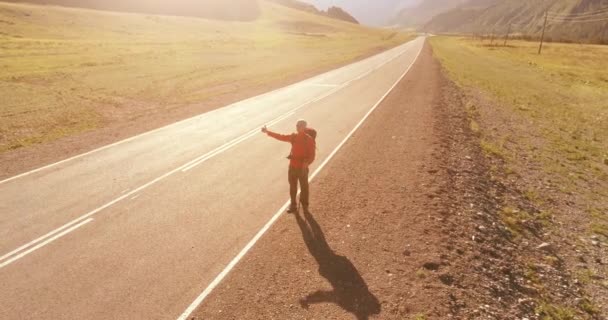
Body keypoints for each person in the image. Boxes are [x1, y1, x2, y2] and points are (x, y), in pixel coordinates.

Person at [262, 120, 316, 213]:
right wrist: (268, 132)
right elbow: (281, 137)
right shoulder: (293, 137)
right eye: (297, 125)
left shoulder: (309, 139)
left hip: (302, 168)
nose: (297, 127)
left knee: (304, 187)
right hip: (292, 167)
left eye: (299, 125)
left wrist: (306, 164)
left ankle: (305, 205)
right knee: (292, 187)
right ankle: (293, 205)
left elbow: (312, 155)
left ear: (304, 127)